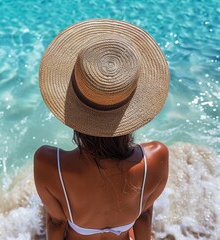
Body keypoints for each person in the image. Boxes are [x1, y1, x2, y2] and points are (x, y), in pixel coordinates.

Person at [34, 19, 170, 240]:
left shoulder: (50, 163)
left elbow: (56, 223)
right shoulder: (155, 158)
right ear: (131, 108)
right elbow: (144, 216)